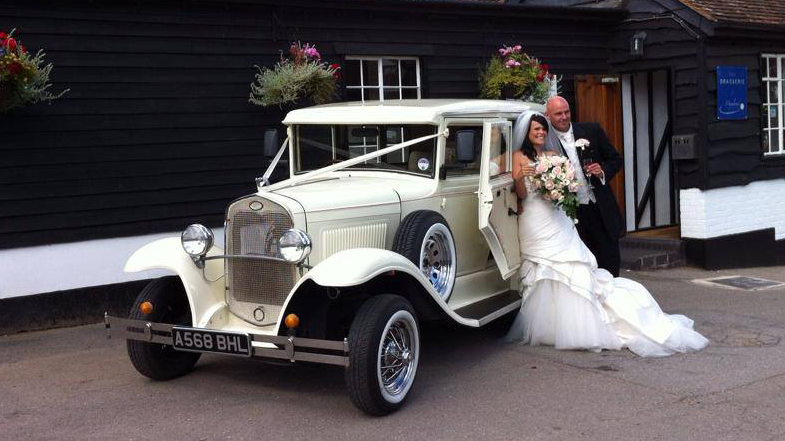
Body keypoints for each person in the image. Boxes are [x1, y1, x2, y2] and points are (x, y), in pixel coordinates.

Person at [507, 110, 707, 357]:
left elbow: (605, 164)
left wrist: (560, 188)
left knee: (576, 263)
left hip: (559, 215)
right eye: (536, 129)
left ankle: (580, 322)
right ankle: (549, 324)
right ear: (526, 133)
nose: (541, 132)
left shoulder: (555, 153)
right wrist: (519, 177)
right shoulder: (517, 157)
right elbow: (521, 192)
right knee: (542, 268)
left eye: (543, 128)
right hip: (534, 219)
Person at [545, 96, 623, 277]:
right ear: (548, 116)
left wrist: (602, 170)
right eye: (558, 114)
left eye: (567, 112)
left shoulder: (592, 130)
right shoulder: (546, 142)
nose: (564, 117)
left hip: (599, 207)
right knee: (583, 265)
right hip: (572, 213)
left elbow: (615, 159)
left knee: (610, 259)